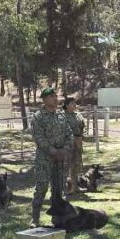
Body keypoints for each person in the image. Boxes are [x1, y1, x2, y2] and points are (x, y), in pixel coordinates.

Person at [29, 88, 72, 227]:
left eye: (56, 96)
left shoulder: (61, 115)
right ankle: (35, 219)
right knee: (41, 187)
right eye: (52, 96)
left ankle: (57, 218)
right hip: (44, 158)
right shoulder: (38, 116)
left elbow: (69, 134)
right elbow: (38, 137)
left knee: (58, 189)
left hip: (60, 159)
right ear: (45, 99)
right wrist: (52, 151)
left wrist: (64, 150)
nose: (55, 98)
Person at [62, 96, 85, 194]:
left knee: (76, 165)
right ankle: (63, 188)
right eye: (72, 103)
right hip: (68, 142)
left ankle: (75, 187)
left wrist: (80, 137)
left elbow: (82, 126)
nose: (74, 105)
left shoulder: (78, 115)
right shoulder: (61, 116)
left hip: (78, 141)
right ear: (66, 105)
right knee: (66, 165)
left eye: (74, 103)